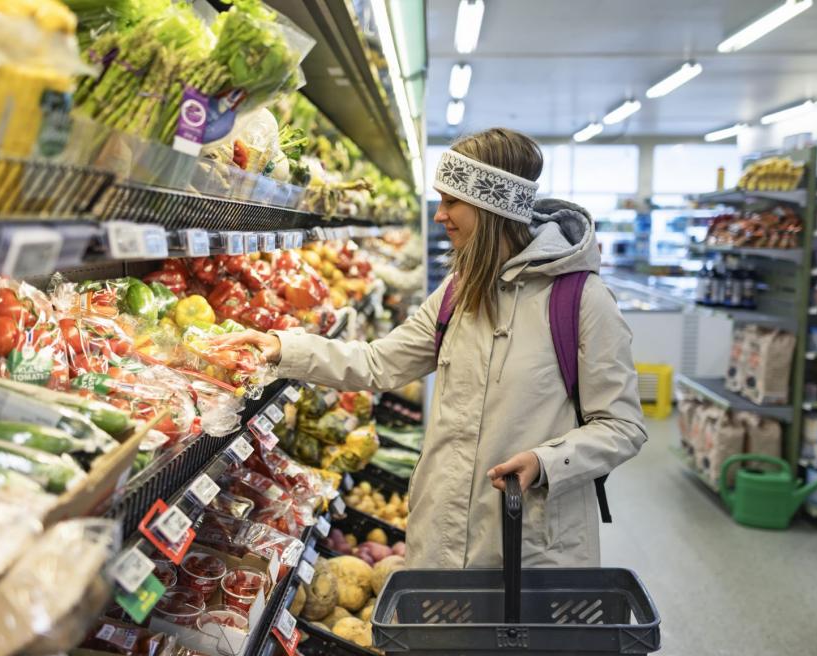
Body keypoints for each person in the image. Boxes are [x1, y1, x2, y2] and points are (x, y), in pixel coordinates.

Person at [213, 128, 647, 568]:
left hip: (531, 548)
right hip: (442, 539)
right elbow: (379, 362)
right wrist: (282, 348)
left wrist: (547, 461)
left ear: (491, 207)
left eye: (452, 202)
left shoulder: (581, 301)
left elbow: (621, 425)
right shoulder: (459, 293)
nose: (440, 216)